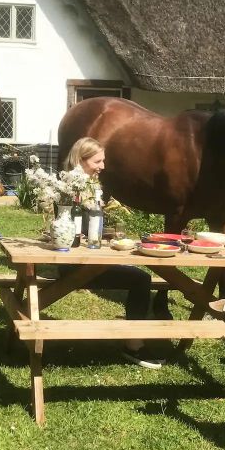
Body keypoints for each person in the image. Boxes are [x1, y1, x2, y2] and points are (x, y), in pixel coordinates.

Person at [62, 137, 164, 369]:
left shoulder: (88, 187)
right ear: (81, 160)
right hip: (75, 264)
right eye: (98, 161)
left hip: (88, 260)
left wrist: (106, 236)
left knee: (140, 277)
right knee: (141, 279)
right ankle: (134, 345)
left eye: (103, 161)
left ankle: (134, 341)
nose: (103, 167)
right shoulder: (71, 190)